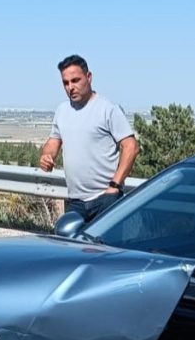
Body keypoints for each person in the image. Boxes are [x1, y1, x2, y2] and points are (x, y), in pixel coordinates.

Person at [39, 55, 138, 223]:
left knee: (102, 249)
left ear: (89, 77)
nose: (71, 87)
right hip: (75, 202)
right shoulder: (62, 111)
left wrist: (114, 186)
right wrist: (46, 157)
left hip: (105, 199)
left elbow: (131, 146)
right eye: (66, 83)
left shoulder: (107, 109)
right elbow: (53, 143)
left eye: (75, 80)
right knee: (70, 245)